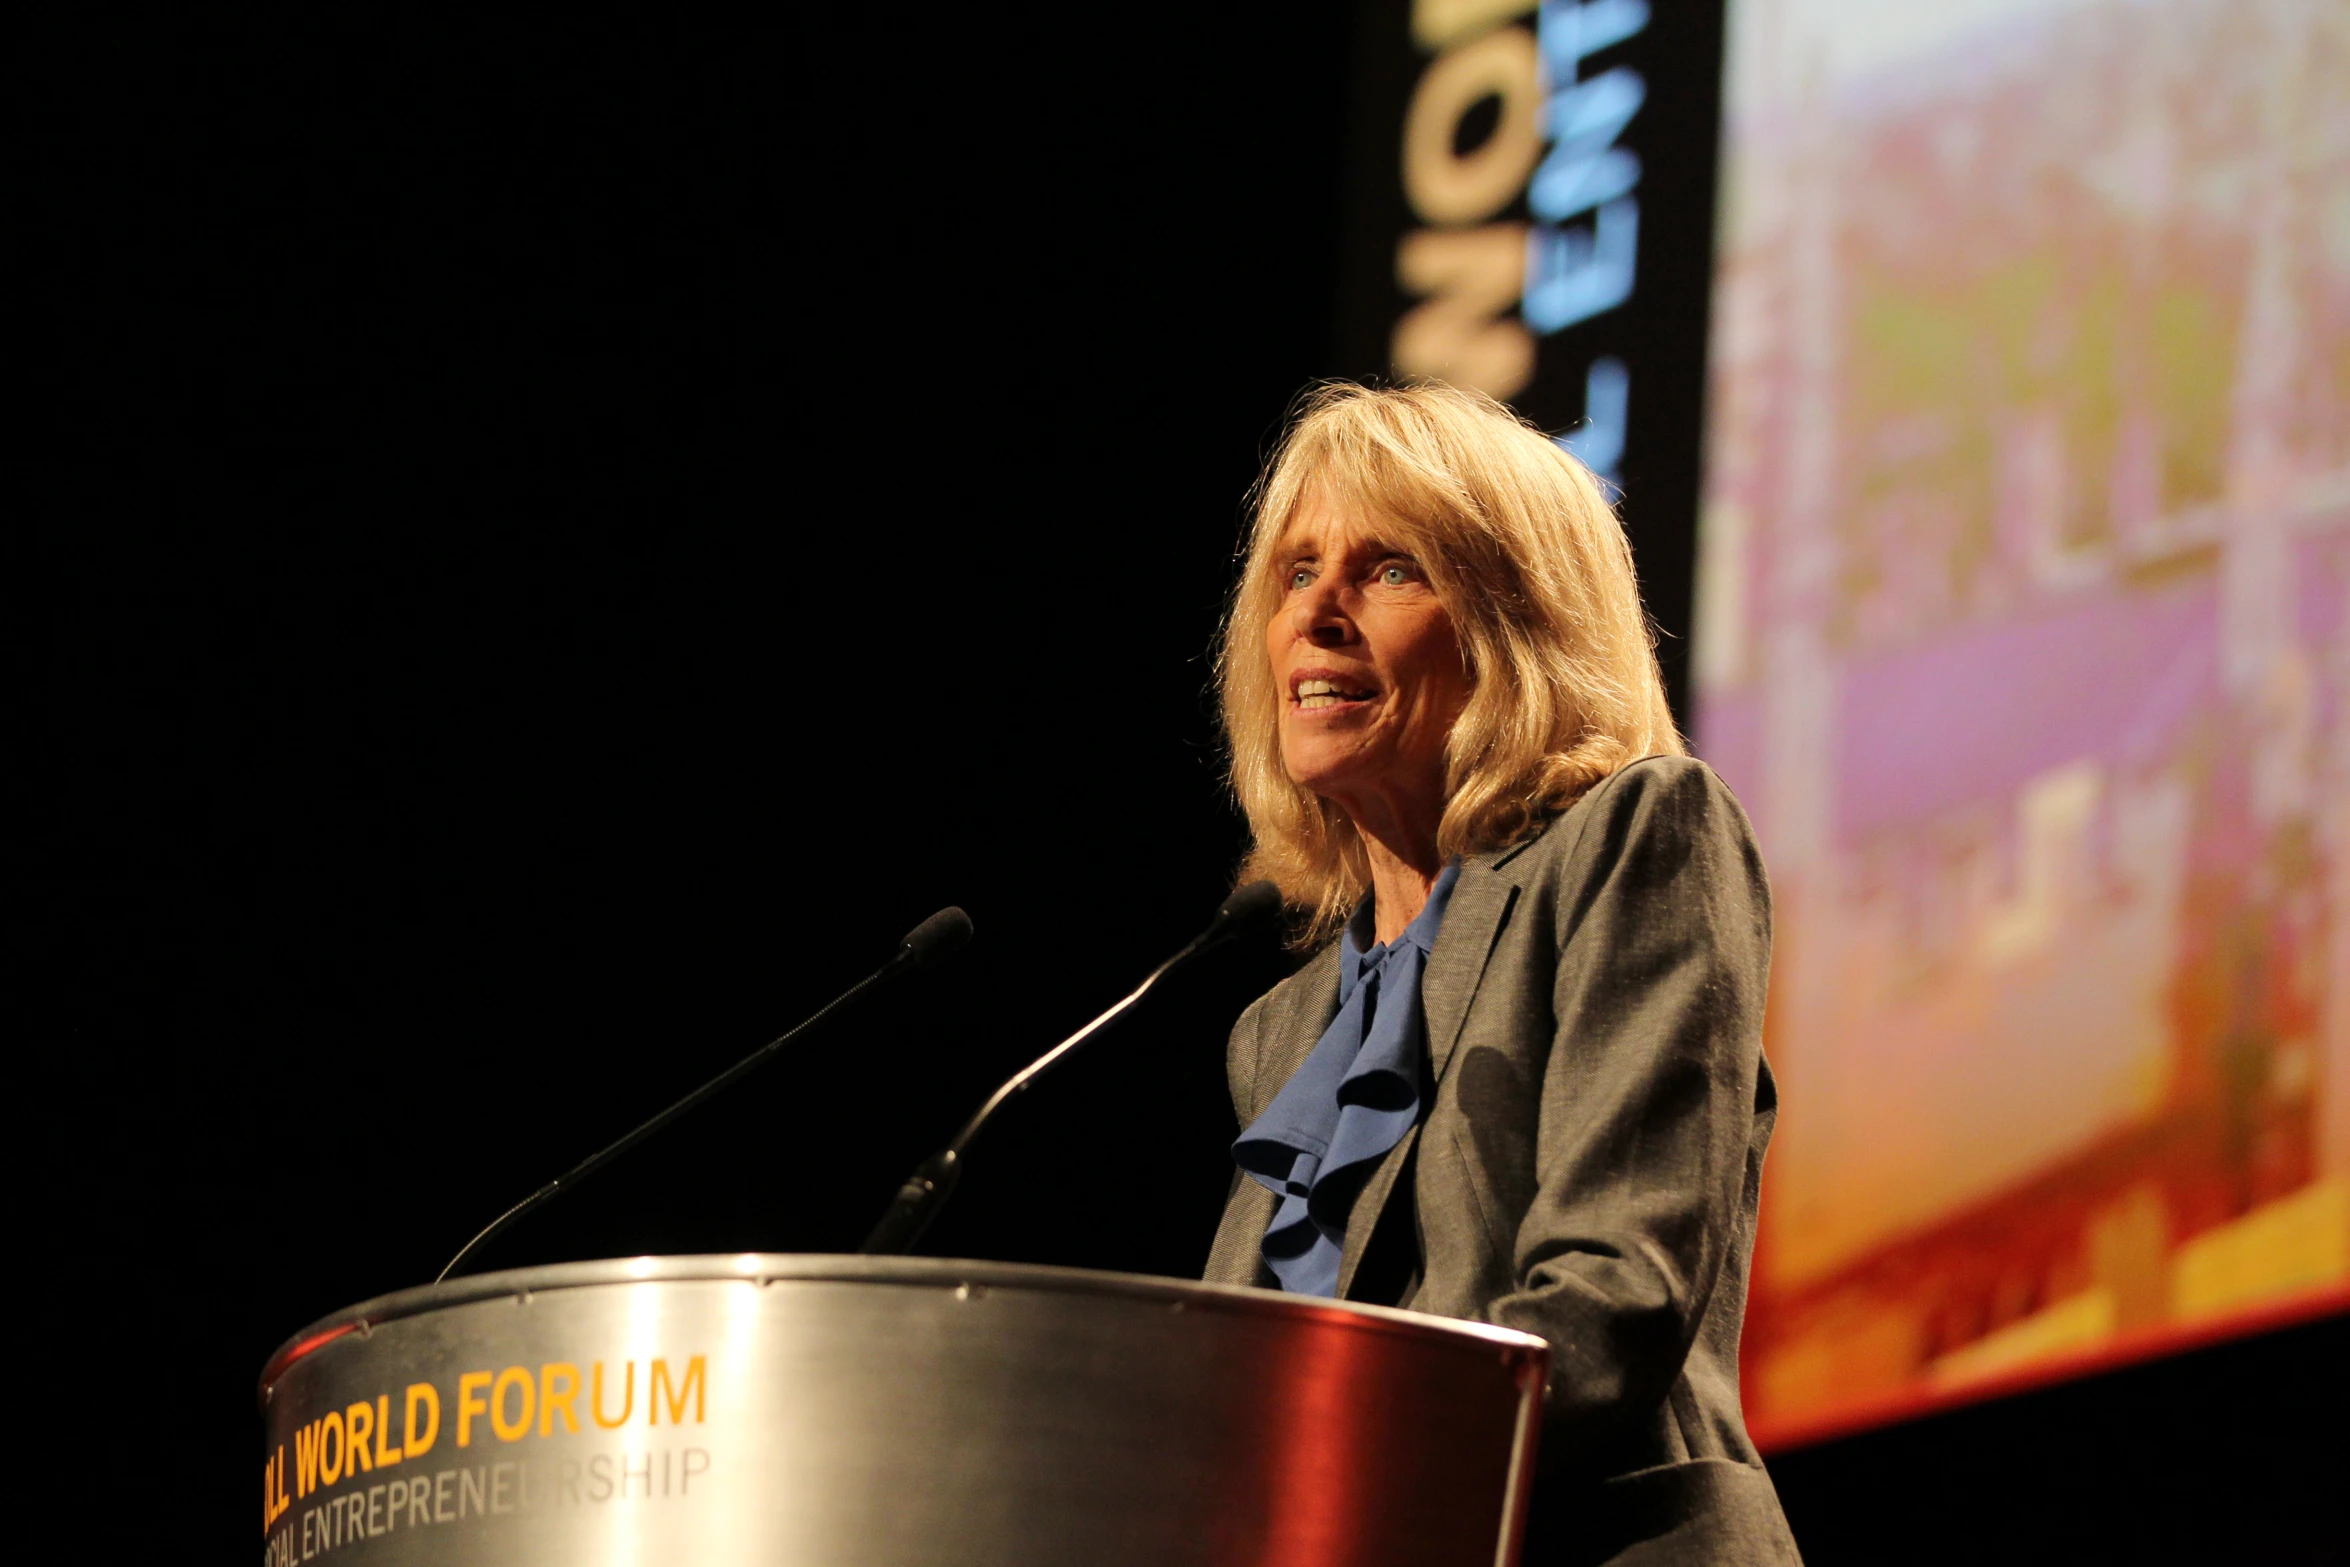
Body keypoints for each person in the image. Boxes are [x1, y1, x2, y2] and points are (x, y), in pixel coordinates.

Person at [1202, 382, 1800, 1565]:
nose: (1317, 613)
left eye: (1388, 570)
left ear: (1517, 625)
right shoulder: (1280, 1029)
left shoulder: (1638, 839)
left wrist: (1319, 1486)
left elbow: (1609, 1297)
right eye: (1295, 571)